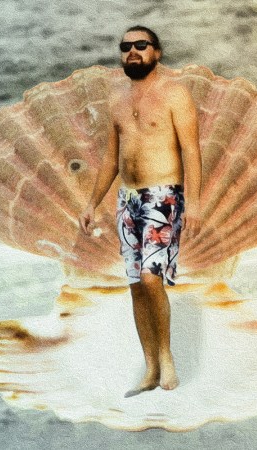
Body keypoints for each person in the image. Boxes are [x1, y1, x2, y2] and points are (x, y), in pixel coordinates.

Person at [79, 25, 202, 397]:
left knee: (152, 279)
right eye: (125, 47)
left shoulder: (174, 93)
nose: (132, 52)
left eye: (141, 46)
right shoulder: (117, 98)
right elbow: (110, 160)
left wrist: (193, 202)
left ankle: (166, 356)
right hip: (127, 198)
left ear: (157, 52)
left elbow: (191, 150)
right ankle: (149, 368)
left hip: (163, 194)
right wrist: (91, 202)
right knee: (135, 285)